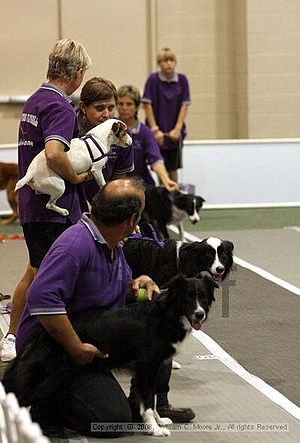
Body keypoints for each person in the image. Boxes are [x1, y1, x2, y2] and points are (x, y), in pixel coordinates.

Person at [15, 178, 195, 436]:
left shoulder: (110, 244)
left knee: (160, 338)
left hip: (87, 342)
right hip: (51, 352)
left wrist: (134, 285)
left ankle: (144, 404)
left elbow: (102, 289)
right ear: (132, 220)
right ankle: (47, 402)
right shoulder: (75, 245)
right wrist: (75, 348)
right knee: (110, 419)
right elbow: (42, 299)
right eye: (140, 214)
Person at [0, 39, 92, 362]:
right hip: (52, 210)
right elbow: (54, 153)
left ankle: (13, 336)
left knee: (35, 270)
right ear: (77, 73)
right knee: (49, 278)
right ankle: (29, 340)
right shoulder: (61, 107)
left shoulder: (33, 101)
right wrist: (76, 177)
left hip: (30, 205)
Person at [77, 77, 134, 203]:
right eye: (99, 108)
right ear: (83, 107)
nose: (106, 115)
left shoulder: (121, 132)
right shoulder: (68, 128)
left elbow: (118, 181)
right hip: (70, 198)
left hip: (102, 201)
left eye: (111, 108)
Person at [142, 47, 191, 183]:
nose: (168, 63)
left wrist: (178, 129)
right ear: (159, 63)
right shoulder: (153, 80)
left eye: (171, 60)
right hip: (157, 132)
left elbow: (185, 104)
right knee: (160, 166)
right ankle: (164, 198)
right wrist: (154, 129)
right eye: (165, 60)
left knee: (174, 168)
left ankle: (173, 199)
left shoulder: (182, 80)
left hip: (175, 133)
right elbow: (147, 104)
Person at [117, 84, 178, 191]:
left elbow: (156, 160)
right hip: (117, 186)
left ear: (136, 107)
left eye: (129, 104)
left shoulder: (145, 132)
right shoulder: (110, 129)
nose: (124, 108)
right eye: (120, 104)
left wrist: (166, 180)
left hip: (142, 186)